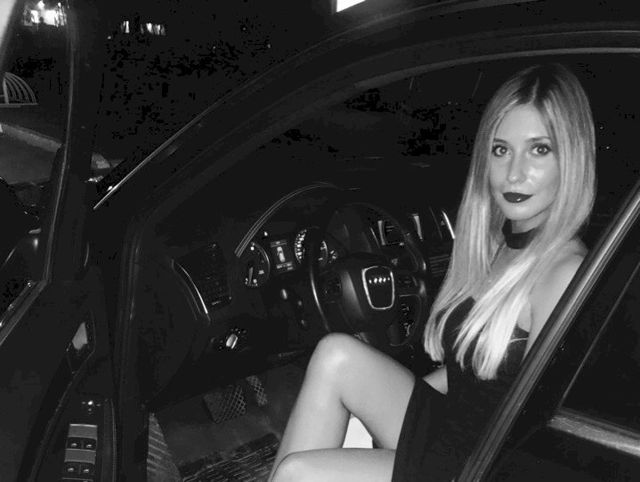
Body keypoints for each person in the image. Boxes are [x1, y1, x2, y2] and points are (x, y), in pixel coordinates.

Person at [268, 63, 596, 482]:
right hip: (455, 429)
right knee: (336, 354)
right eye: (501, 150)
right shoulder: (502, 243)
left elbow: (539, 434)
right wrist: (391, 398)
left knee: (298, 472)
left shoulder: (563, 272)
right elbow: (476, 372)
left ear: (572, 158)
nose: (514, 173)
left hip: (484, 465)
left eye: (539, 149)